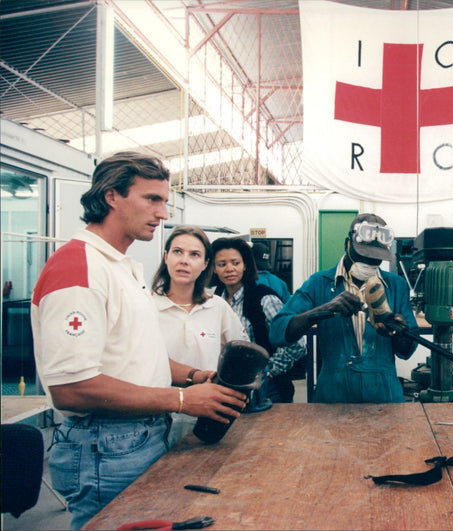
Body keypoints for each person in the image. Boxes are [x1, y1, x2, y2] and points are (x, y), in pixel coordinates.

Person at [30, 152, 247, 530]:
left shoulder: (123, 267)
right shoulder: (78, 268)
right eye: (153, 199)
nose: (163, 213)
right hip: (107, 446)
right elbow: (70, 388)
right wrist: (182, 400)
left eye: (165, 201)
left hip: (136, 436)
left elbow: (134, 355)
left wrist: (194, 377)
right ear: (112, 196)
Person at [269, 213, 418, 403]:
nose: (370, 263)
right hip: (333, 396)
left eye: (376, 258)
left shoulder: (396, 286)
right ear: (347, 245)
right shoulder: (319, 283)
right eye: (364, 255)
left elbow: (407, 351)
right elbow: (278, 332)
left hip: (384, 396)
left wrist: (399, 332)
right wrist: (325, 310)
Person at [151, 225, 249, 447]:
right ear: (166, 257)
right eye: (177, 252)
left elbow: (243, 353)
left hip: (207, 420)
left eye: (194, 254)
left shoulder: (217, 306)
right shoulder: (147, 306)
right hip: (156, 420)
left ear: (206, 264)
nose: (184, 260)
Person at [210, 237, 307, 405]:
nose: (229, 269)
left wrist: (267, 371)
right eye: (222, 264)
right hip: (227, 387)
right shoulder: (213, 301)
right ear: (213, 269)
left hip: (269, 390)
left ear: (245, 265)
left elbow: (298, 343)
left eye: (235, 263)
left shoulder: (264, 298)